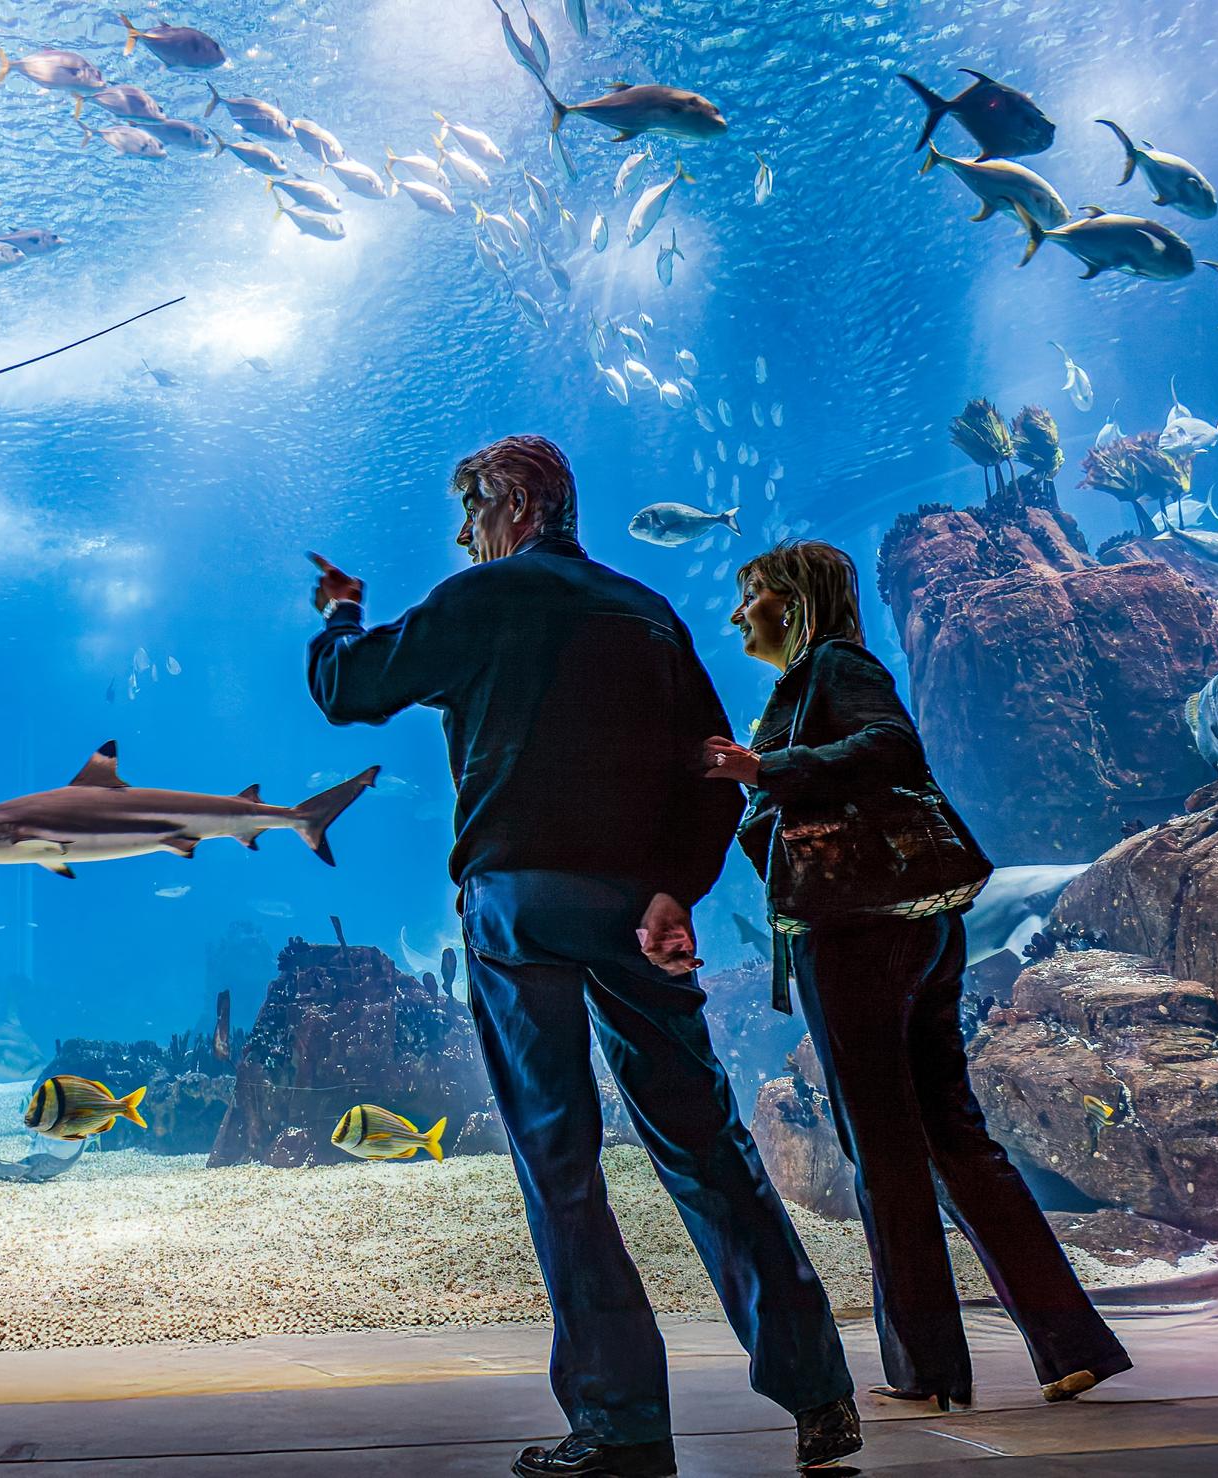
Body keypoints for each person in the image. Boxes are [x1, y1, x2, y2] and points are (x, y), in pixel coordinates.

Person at [306, 437, 859, 1478]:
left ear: (513, 502)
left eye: (469, 510)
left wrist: (339, 611)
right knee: (704, 1141)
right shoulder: (646, 613)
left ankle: (620, 1425)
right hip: (633, 910)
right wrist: (672, 888)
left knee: (559, 1159)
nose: (462, 533)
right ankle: (818, 1388)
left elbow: (352, 690)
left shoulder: (482, 597)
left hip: (518, 903)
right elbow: (712, 769)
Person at [703, 539, 1131, 1411]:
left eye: (751, 598)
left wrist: (767, 769)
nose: (739, 615)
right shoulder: (818, 675)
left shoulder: (833, 664)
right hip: (914, 933)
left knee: (883, 1150)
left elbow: (892, 745)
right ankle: (1070, 1344)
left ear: (792, 601)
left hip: (859, 937)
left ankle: (926, 1370)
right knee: (951, 1136)